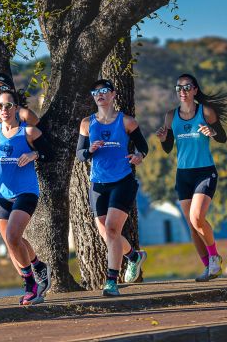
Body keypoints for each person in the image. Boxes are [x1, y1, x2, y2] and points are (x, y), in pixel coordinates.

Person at [0, 90, 52, 305]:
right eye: (0, 106)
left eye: (9, 105)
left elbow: (50, 153)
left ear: (16, 108)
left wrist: (33, 154)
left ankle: (31, 285)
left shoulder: (29, 132)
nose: (4, 110)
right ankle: (37, 266)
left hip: (25, 192)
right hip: (0, 194)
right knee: (13, 241)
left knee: (12, 236)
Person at [76, 79, 149, 297]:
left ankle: (111, 281)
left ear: (113, 95)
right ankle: (133, 257)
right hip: (98, 183)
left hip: (122, 181)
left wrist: (138, 156)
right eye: (95, 91)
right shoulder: (87, 124)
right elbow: (80, 155)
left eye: (104, 91)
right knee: (106, 233)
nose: (100, 95)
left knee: (112, 230)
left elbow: (142, 147)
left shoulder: (126, 122)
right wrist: (90, 150)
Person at [156, 74, 227, 282]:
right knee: (191, 224)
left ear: (195, 90)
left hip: (205, 171)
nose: (183, 91)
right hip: (183, 174)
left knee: (197, 218)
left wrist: (211, 131)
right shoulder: (171, 116)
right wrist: (163, 140)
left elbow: (222, 138)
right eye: (179, 87)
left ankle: (215, 257)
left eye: (187, 87)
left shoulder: (205, 111)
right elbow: (169, 148)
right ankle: (209, 267)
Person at [0, 72, 39, 141]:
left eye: (3, 88)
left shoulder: (25, 115)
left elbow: (44, 143)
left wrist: (33, 152)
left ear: (11, 91)